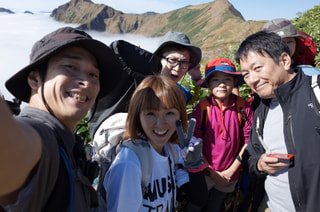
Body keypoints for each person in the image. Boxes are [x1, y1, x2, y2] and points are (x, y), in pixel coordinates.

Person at [0, 26, 122, 211]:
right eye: (70, 67)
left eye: (93, 74)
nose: (86, 81)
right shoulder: (42, 138)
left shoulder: (69, 146)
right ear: (34, 79)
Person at [235, 31, 320, 212]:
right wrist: (260, 164)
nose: (252, 80)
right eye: (246, 74)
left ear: (284, 60)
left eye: (258, 68)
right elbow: (251, 156)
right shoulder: (261, 107)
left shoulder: (316, 90)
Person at [104, 75, 207, 212]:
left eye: (169, 113)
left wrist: (194, 166)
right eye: (151, 113)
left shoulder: (171, 150)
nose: (160, 123)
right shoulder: (130, 162)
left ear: (180, 116)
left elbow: (198, 199)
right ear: (137, 116)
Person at [190, 58, 254, 211]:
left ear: (234, 82)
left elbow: (249, 141)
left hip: (230, 174)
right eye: (216, 79)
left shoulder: (242, 107)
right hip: (204, 173)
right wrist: (211, 172)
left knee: (214, 206)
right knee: (195, 205)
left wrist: (230, 171)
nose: (222, 84)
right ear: (208, 84)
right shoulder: (202, 108)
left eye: (227, 79)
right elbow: (193, 142)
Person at [154, 31, 202, 105]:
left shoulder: (177, 90)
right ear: (159, 59)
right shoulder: (144, 88)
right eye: (172, 60)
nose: (177, 68)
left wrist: (196, 78)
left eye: (184, 62)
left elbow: (188, 98)